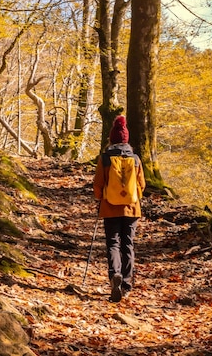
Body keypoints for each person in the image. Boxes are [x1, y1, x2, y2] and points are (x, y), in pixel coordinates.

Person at [93, 115, 145, 302]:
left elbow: (98, 184)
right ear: (126, 139)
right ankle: (127, 284)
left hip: (110, 207)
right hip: (131, 208)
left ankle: (115, 274)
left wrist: (100, 198)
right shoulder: (136, 159)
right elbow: (142, 185)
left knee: (113, 244)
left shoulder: (105, 158)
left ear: (112, 139)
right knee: (128, 244)